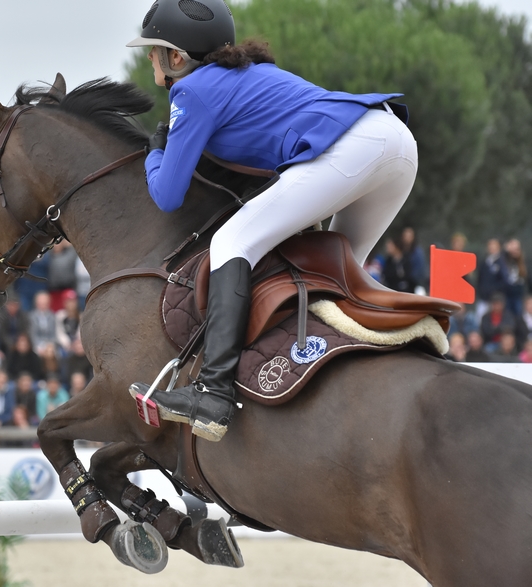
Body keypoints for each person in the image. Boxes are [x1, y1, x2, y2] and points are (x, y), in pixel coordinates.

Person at [128, 0, 418, 441]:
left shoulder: (190, 91)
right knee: (333, 273)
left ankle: (212, 393)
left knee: (231, 244)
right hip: (395, 141)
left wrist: (154, 152)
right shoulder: (244, 73)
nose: (149, 57)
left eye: (154, 49)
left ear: (177, 57)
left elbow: (167, 195)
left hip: (354, 149)